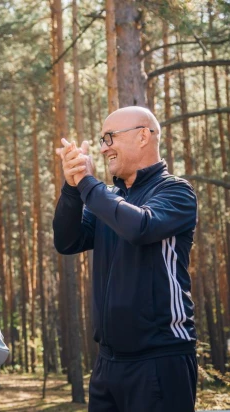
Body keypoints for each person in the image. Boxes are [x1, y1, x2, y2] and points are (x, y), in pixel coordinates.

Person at [53, 106, 198, 412]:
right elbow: (67, 241)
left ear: (143, 136)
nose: (104, 147)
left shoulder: (176, 192)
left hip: (160, 359)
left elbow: (139, 226)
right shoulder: (106, 198)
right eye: (102, 140)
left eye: (110, 137)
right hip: (107, 363)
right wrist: (71, 186)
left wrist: (88, 183)